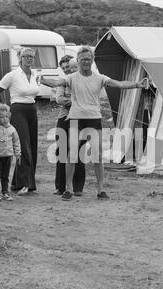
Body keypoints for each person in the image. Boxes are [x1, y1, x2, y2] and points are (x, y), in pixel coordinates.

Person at [40, 46, 147, 201]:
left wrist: (137, 84)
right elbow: (57, 82)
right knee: (72, 155)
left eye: (88, 59)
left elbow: (118, 84)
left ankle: (101, 189)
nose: (86, 61)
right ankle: (69, 189)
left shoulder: (99, 78)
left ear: (92, 60)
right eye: (83, 59)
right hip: (76, 119)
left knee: (97, 156)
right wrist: (44, 81)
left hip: (94, 119)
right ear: (78, 60)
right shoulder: (72, 78)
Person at [0, 47, 40, 195]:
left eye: (31, 56)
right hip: (17, 110)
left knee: (32, 146)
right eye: (26, 56)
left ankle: (17, 182)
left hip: (32, 110)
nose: (29, 59)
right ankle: (26, 183)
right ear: (20, 57)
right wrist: (6, 108)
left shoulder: (35, 74)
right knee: (23, 147)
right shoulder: (12, 75)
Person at [54, 56, 86, 196]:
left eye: (71, 67)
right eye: (66, 68)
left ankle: (78, 187)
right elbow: (59, 98)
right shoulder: (63, 82)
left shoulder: (85, 81)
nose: (68, 70)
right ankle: (60, 187)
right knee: (62, 152)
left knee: (78, 152)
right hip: (64, 118)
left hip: (81, 119)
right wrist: (75, 102)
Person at [0, 104, 21, 201]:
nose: (5, 119)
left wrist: (18, 154)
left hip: (8, 156)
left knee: (5, 175)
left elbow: (16, 142)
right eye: (2, 117)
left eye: (7, 117)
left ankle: (5, 192)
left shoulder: (12, 129)